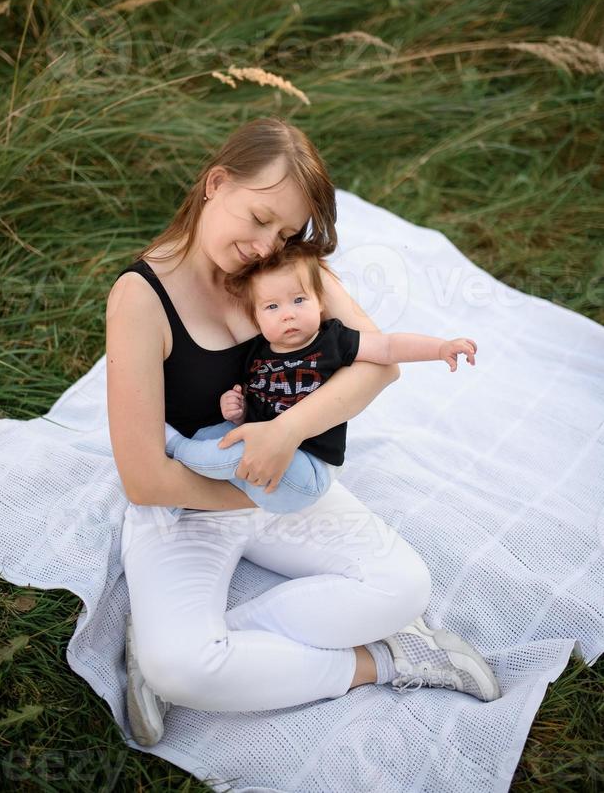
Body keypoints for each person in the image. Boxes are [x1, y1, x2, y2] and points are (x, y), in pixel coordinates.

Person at [106, 117, 501, 748]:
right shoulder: (141, 296)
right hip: (192, 497)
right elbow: (144, 478)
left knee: (404, 588)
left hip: (284, 472)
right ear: (216, 184)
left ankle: (182, 641)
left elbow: (380, 366)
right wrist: (260, 483)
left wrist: (283, 434)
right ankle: (380, 663)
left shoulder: (289, 273)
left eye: (285, 232)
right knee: (182, 666)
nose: (267, 246)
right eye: (259, 218)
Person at [156, 239, 479, 515]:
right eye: (272, 307)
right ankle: (200, 479)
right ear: (255, 316)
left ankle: (175, 447)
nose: (288, 313)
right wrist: (237, 411)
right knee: (213, 434)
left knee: (229, 451)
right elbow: (256, 410)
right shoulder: (257, 353)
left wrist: (441, 348)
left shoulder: (331, 341)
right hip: (265, 452)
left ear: (320, 303)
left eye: (299, 300)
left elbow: (387, 346)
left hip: (304, 469)